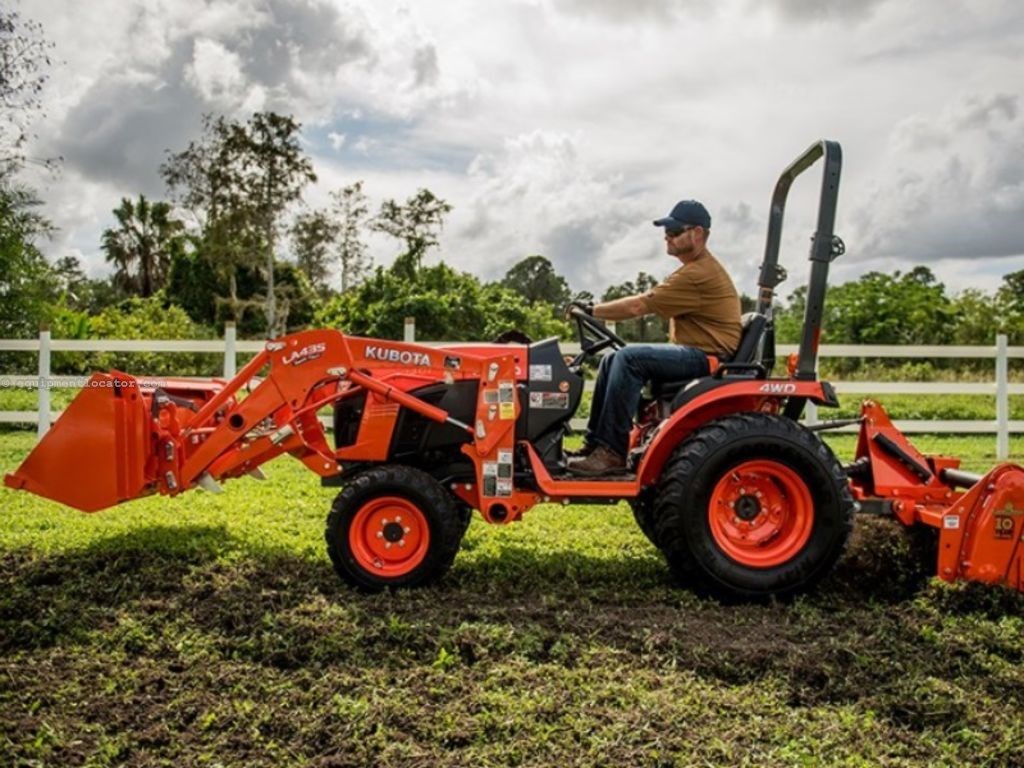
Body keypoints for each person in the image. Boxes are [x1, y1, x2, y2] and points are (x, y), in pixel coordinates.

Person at [568, 199, 742, 476]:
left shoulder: (698, 274)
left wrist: (591, 310)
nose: (667, 237)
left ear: (697, 233)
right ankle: (595, 446)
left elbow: (639, 306)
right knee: (611, 359)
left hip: (707, 358)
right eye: (666, 232)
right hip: (698, 352)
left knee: (627, 359)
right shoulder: (692, 270)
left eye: (674, 231)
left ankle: (612, 453)